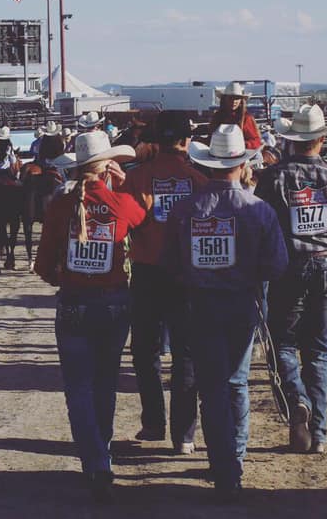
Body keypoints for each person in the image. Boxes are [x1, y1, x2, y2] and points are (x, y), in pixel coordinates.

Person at [165, 124, 288, 499]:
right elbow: (277, 265)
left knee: (213, 387)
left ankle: (224, 465)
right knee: (236, 382)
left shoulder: (185, 209)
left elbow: (170, 264)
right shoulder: (259, 210)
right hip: (241, 302)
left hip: (201, 304)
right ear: (242, 164)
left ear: (208, 164)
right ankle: (233, 460)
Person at [34, 131, 145, 503]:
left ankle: (96, 460)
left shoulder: (59, 206)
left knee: (78, 387)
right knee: (105, 382)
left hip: (74, 302)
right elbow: (144, 220)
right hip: (113, 302)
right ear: (108, 165)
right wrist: (124, 185)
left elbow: (43, 266)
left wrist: (65, 277)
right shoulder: (121, 203)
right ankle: (102, 451)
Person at [256, 104, 327, 455]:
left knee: (284, 344)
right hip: (325, 263)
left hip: (288, 265)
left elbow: (261, 229)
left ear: (291, 140)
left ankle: (298, 398)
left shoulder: (273, 178)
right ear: (321, 139)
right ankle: (319, 433)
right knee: (318, 352)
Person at [120, 110, 208, 453]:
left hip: (147, 271)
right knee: (186, 354)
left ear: (156, 139)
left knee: (146, 350)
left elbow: (126, 223)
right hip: (186, 275)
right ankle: (184, 435)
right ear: (187, 140)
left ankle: (153, 422)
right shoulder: (198, 180)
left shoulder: (137, 178)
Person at [209, 82, 262, 150]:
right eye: (231, 98)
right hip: (218, 153)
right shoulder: (217, 116)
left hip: (241, 153)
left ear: (241, 101)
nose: (234, 101)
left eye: (237, 98)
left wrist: (242, 145)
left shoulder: (247, 118)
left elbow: (256, 141)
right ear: (225, 99)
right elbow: (211, 138)